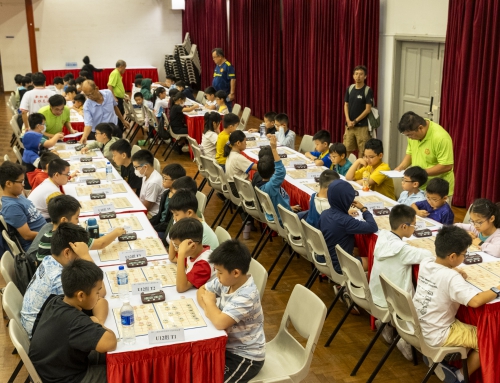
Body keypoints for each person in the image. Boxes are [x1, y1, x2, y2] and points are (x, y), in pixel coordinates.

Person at [413, 226, 500, 383]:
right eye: (464, 254)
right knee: (489, 340)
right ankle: (459, 377)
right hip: (438, 333)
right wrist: (496, 289)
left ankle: (437, 361)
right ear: (452, 256)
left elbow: (443, 272)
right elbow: (475, 301)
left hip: (421, 325)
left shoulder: (427, 262)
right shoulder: (451, 278)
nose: (464, 258)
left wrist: (455, 269)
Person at [29, 258, 116, 382]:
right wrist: (98, 326)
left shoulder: (56, 301)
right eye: (97, 292)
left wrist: (98, 322)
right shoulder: (75, 322)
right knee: (119, 372)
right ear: (81, 295)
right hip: (64, 378)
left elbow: (102, 302)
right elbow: (110, 343)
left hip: (54, 365)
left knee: (107, 356)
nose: (98, 296)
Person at [369, 204, 434, 359]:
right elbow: (428, 255)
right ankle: (404, 338)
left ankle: (385, 324)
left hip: (377, 295)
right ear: (404, 226)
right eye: (414, 225)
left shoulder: (383, 236)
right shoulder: (403, 250)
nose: (415, 228)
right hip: (396, 306)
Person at [21, 222, 107, 337]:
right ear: (67, 252)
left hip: (36, 323)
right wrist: (86, 256)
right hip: (41, 335)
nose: (81, 259)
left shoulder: (49, 259)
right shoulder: (58, 279)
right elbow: (100, 290)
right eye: (79, 254)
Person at [197, 240, 265, 382]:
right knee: (196, 370)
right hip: (224, 345)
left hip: (245, 356)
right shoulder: (225, 281)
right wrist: (210, 311)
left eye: (220, 272)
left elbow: (220, 323)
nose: (217, 275)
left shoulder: (247, 295)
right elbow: (201, 290)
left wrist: (210, 303)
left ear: (235, 272)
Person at [35, 195, 126, 261]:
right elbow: (101, 243)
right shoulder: (70, 237)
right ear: (64, 220)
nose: (78, 222)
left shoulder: (45, 236)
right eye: (76, 218)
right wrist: (116, 232)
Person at [319, 179, 378, 273]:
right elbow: (372, 227)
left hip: (325, 258)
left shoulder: (325, 213)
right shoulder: (346, 221)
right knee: (374, 261)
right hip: (340, 266)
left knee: (358, 250)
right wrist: (363, 209)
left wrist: (345, 214)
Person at [395, 111, 455, 200]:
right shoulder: (413, 135)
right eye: (406, 135)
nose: (409, 138)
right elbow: (410, 153)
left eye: (410, 135)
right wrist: (401, 167)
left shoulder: (441, 138)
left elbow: (446, 166)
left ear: (420, 128)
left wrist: (421, 173)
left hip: (437, 190)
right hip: (418, 186)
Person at [0, 162, 46, 251]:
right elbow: (27, 235)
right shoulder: (11, 207)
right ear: (8, 184)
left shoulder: (18, 195)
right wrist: (52, 235)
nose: (23, 184)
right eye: (21, 182)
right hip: (37, 246)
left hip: (44, 235)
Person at [256, 136, 301, 223]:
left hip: (274, 214)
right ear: (274, 171)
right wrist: (274, 149)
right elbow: (281, 171)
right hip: (282, 219)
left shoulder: (259, 184)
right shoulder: (271, 186)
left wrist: (288, 207)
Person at [168, 218, 216, 293]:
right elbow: (172, 258)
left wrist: (181, 254)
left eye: (177, 247)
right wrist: (173, 237)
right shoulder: (192, 252)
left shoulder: (204, 264)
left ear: (192, 246)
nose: (175, 250)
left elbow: (181, 288)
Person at [343, 65, 373, 156]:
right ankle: (345, 170)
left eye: (361, 74)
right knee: (346, 150)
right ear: (353, 76)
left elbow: (368, 110)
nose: (358, 76)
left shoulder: (368, 90)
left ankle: (360, 170)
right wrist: (348, 120)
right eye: (356, 74)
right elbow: (346, 105)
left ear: (365, 76)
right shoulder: (350, 88)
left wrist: (355, 121)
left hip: (362, 127)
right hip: (349, 126)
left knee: (363, 152)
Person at [149, 164, 186, 237]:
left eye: (165, 179)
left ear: (175, 181)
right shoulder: (165, 193)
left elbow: (170, 223)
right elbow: (160, 214)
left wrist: (154, 228)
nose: (162, 181)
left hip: (167, 231)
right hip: (159, 226)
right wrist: (148, 223)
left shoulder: (179, 200)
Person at [131, 149, 164, 216]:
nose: (135, 170)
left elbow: (146, 208)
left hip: (151, 214)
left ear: (145, 167)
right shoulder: (145, 175)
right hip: (143, 207)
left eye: (136, 167)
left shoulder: (153, 182)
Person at [224, 131, 258, 195]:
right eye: (245, 142)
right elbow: (258, 167)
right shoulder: (238, 158)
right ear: (238, 143)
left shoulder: (230, 153)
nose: (246, 144)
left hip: (232, 187)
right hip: (239, 190)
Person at [107, 59, 127, 130]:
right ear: (121, 66)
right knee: (119, 117)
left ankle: (120, 131)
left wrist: (123, 97)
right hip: (117, 99)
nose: (125, 69)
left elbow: (117, 87)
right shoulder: (115, 73)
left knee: (121, 114)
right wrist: (114, 98)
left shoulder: (118, 73)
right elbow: (110, 86)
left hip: (119, 98)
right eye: (125, 67)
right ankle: (119, 133)